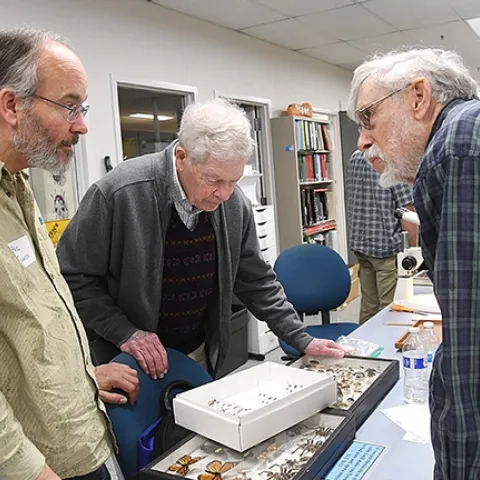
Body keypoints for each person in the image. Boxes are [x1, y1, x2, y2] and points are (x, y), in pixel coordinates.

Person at [56, 98, 346, 380]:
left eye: (233, 180)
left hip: (197, 353)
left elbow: (256, 280)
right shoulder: (118, 193)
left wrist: (300, 338)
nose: (225, 194)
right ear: (182, 158)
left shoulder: (234, 204)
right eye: (214, 180)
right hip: (125, 358)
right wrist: (124, 332)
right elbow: (72, 276)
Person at [0, 28, 139, 480]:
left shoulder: (17, 186)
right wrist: (31, 471)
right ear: (11, 106)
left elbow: (26, 324)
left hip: (79, 435)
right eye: (69, 106)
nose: (82, 125)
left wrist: (82, 376)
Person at [348, 48, 480, 479]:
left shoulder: (455, 148)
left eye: (368, 118)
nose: (362, 141)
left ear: (418, 96)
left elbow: (468, 357)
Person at [346, 149, 416, 324]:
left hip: (361, 243)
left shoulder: (356, 156)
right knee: (390, 309)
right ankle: (385, 349)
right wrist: (415, 253)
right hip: (385, 247)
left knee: (368, 307)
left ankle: (364, 348)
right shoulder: (392, 160)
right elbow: (407, 213)